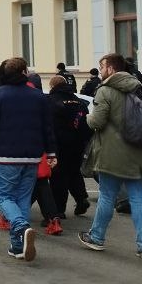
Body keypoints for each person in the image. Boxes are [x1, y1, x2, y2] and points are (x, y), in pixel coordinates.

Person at [78, 53, 142, 259]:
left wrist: (86, 116)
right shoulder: (137, 86)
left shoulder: (105, 91)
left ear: (111, 69)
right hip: (137, 152)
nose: (101, 71)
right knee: (137, 198)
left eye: (102, 67)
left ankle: (96, 237)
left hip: (112, 154)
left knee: (107, 196)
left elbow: (97, 122)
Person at [0, 58, 56, 261]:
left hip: (5, 155)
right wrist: (51, 153)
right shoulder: (38, 97)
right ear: (24, 72)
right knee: (22, 198)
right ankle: (17, 245)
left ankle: (20, 226)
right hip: (32, 157)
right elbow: (47, 128)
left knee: (3, 196)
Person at [47, 75, 92, 221]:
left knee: (58, 176)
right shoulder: (78, 101)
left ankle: (59, 209)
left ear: (52, 86)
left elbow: (49, 125)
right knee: (74, 172)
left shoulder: (51, 101)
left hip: (59, 144)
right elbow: (86, 122)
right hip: (78, 144)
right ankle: (81, 198)